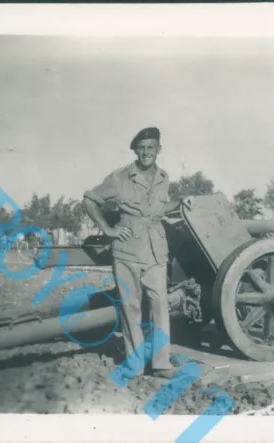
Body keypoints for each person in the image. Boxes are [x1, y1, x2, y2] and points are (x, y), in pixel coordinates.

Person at [82, 127, 191, 379]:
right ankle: (135, 365)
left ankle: (161, 364)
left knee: (160, 305)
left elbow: (161, 208)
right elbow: (89, 200)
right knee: (131, 307)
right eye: (141, 148)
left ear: (158, 150)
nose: (146, 153)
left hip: (156, 250)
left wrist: (182, 201)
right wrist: (108, 229)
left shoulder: (164, 177)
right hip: (127, 250)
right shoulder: (119, 178)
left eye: (150, 148)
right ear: (135, 151)